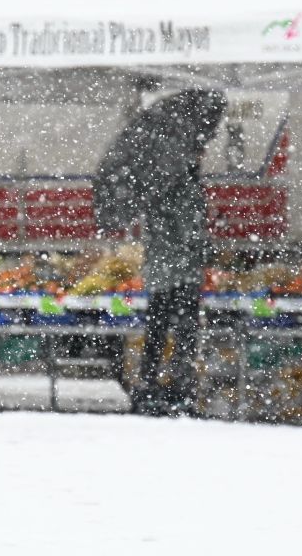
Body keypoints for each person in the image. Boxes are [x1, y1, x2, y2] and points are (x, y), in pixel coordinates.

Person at [96, 89, 227, 415]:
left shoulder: (154, 182)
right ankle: (180, 389)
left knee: (155, 332)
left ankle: (148, 384)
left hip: (158, 271)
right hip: (181, 271)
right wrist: (208, 245)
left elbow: (161, 228)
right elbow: (189, 232)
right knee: (183, 335)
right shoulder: (182, 183)